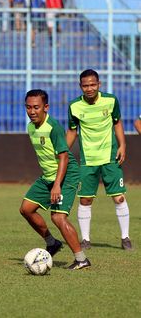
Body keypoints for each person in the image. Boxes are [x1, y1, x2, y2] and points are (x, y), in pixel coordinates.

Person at [20, 89, 91, 270]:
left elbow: (64, 157)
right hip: (48, 176)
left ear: (46, 107)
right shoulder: (30, 127)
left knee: (58, 217)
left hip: (66, 175)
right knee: (26, 209)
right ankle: (52, 243)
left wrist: (57, 185)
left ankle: (81, 259)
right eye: (28, 107)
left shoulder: (54, 128)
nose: (32, 111)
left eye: (36, 107)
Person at [66, 69, 132, 251]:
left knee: (119, 198)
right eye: (85, 85)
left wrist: (122, 145)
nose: (89, 88)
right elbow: (72, 131)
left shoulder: (111, 101)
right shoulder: (74, 106)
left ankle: (125, 238)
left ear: (99, 84)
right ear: (80, 86)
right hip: (88, 160)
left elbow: (117, 122)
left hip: (110, 157)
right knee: (85, 199)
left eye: (92, 84)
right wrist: (62, 152)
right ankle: (85, 240)